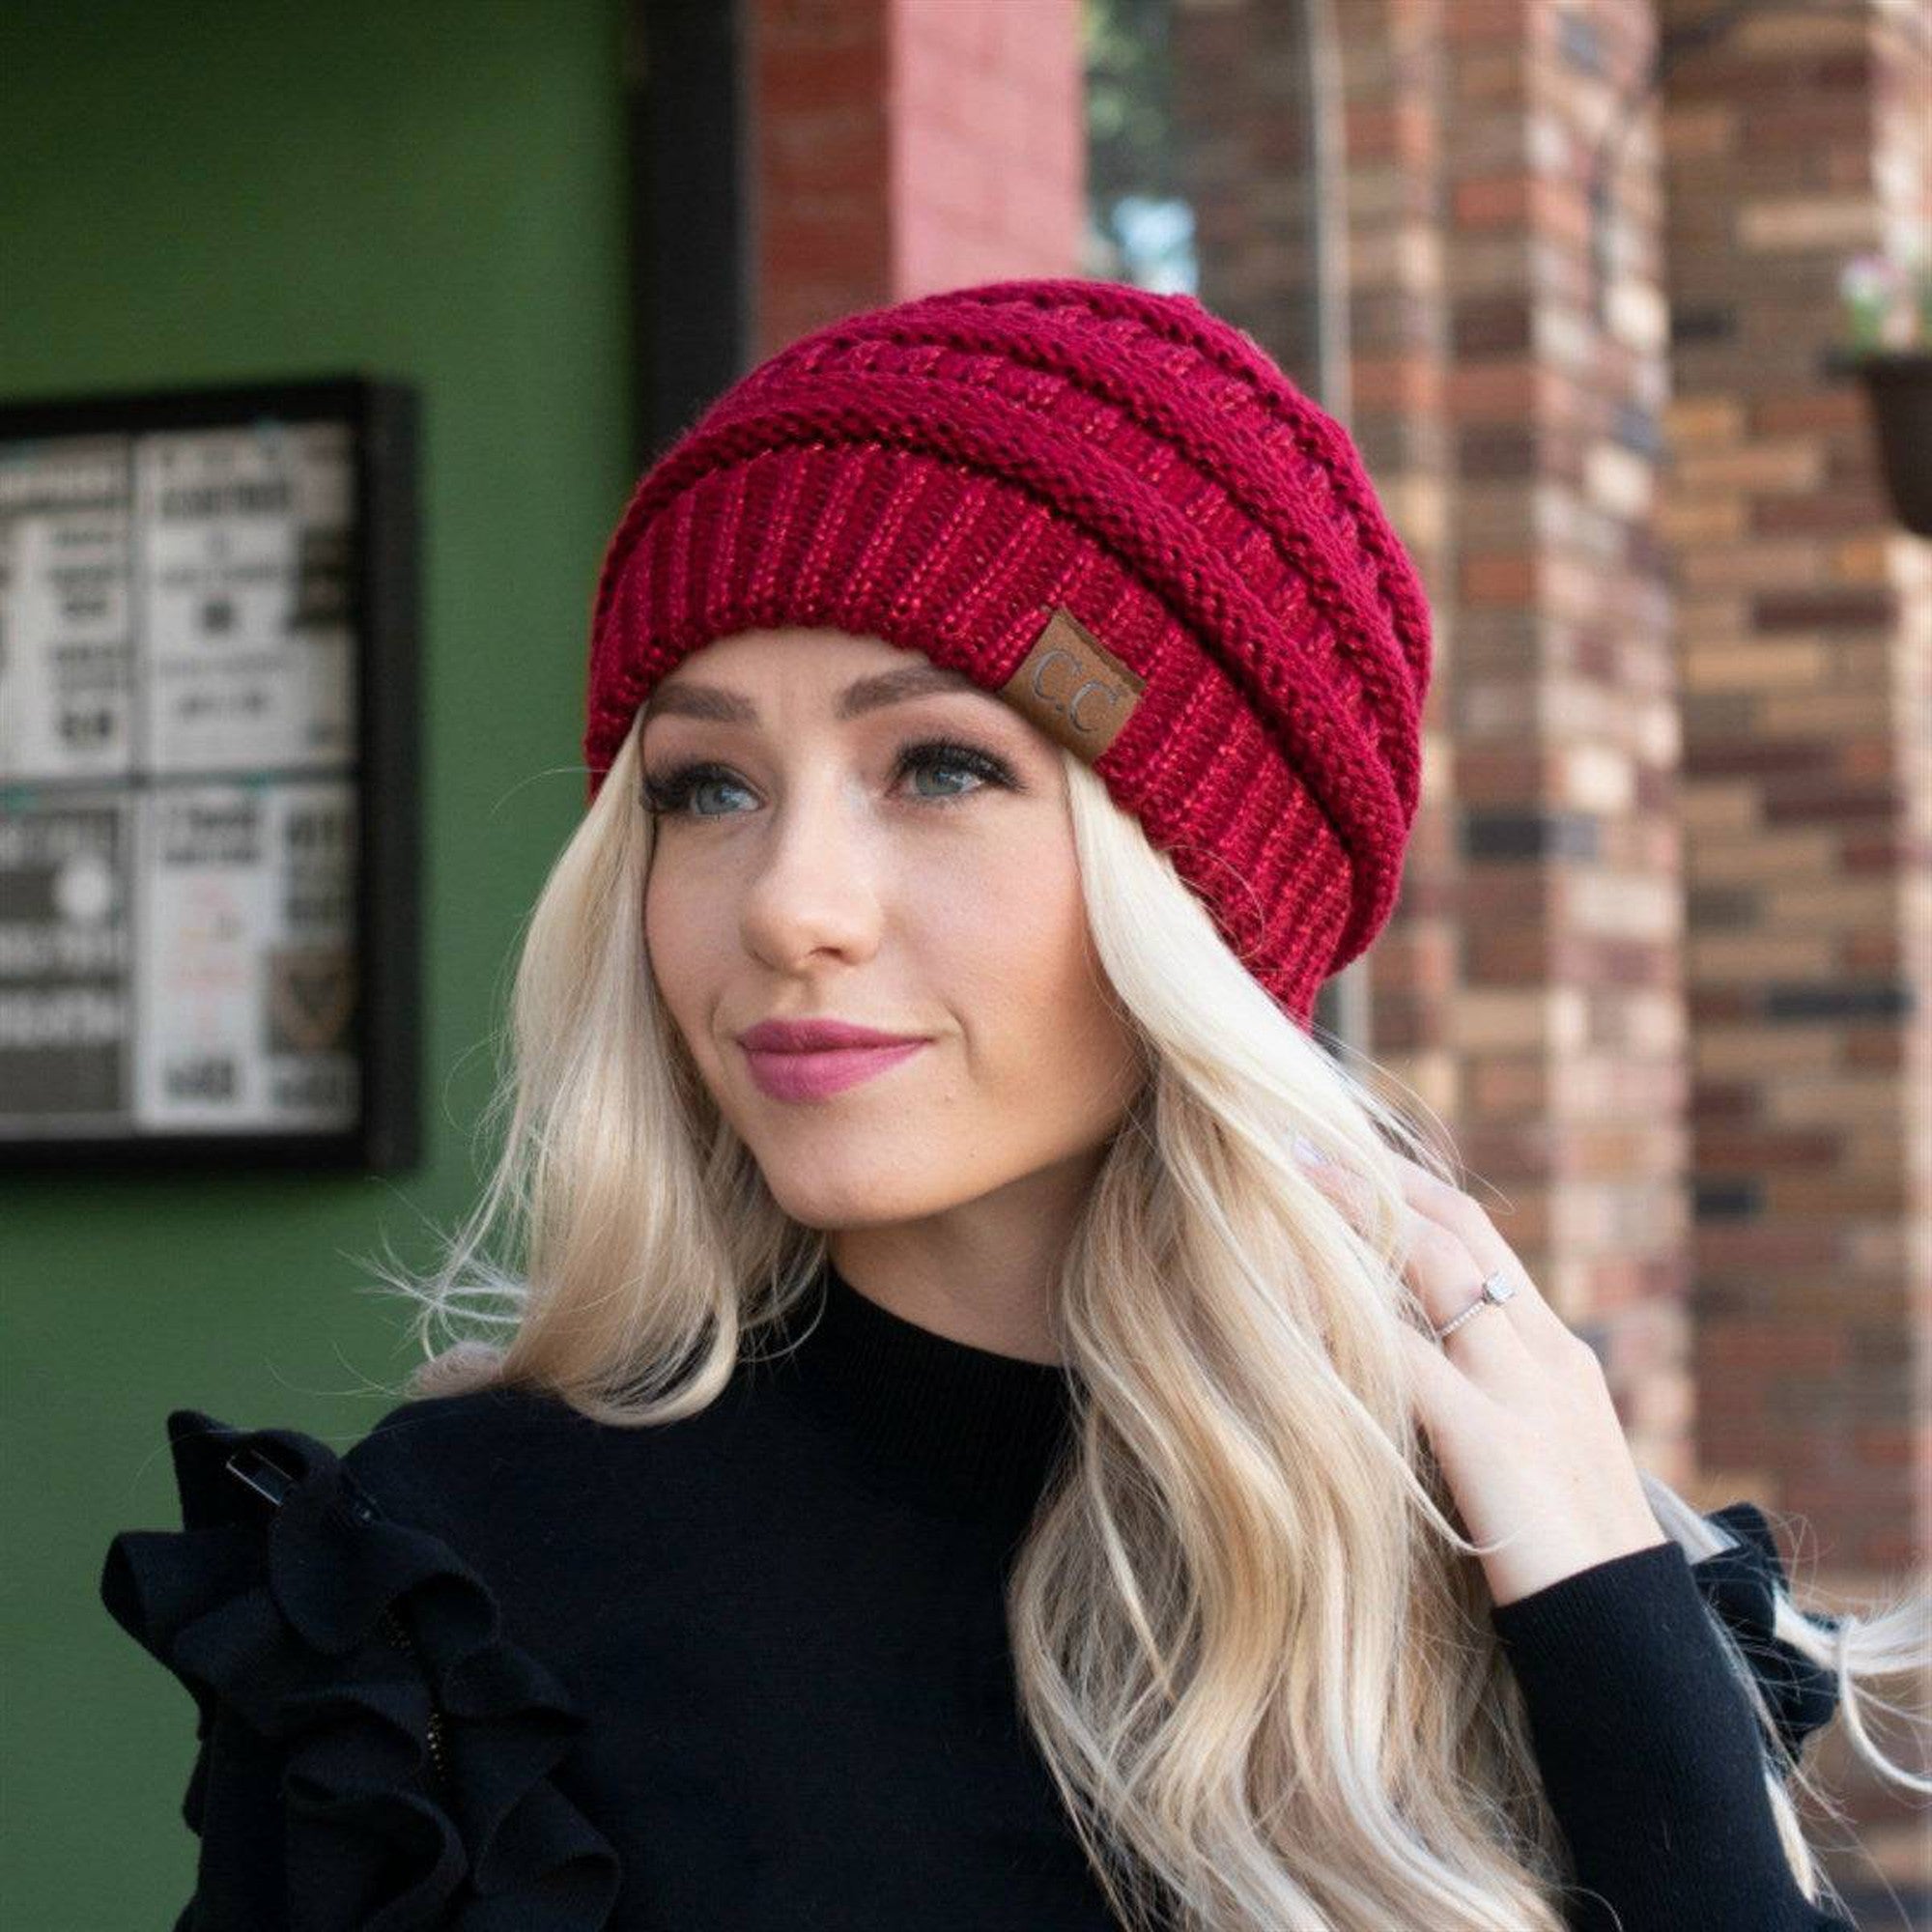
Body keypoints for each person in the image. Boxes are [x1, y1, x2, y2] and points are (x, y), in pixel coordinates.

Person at [101, 277, 1926, 1932]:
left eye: (944, 766)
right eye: (707, 788)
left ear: (1201, 894)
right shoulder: (448, 1599)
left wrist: (1603, 1603)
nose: (791, 906)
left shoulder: (1514, 1559)